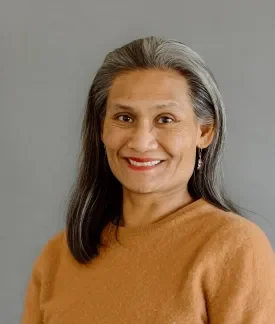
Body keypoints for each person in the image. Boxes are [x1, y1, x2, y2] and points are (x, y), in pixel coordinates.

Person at [21, 36, 275, 323]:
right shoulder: (57, 255)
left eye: (165, 119)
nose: (141, 142)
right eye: (125, 118)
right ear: (101, 129)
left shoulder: (235, 248)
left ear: (204, 132)